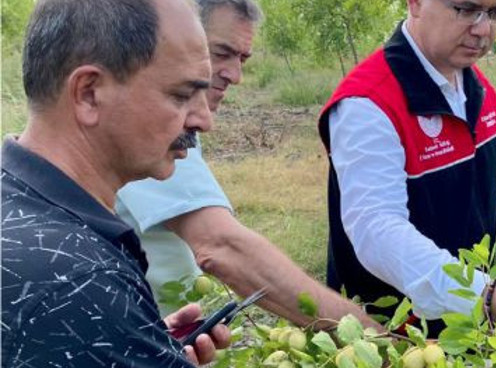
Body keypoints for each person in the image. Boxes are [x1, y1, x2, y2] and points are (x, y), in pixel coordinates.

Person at [1, 0, 436, 368]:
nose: (203, 118)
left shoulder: (23, 206)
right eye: (180, 95)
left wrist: (133, 353)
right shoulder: (76, 275)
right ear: (89, 92)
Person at [318, 0, 496, 337]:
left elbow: (453, 168)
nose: (483, 29)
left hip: (467, 326)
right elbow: (376, 229)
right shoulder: (369, 103)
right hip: (392, 334)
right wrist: (485, 295)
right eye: (466, 9)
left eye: (495, 13)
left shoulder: (476, 88)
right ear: (416, 3)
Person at [115, 0, 379, 330]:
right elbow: (223, 247)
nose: (235, 75)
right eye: (221, 53)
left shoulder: (176, 126)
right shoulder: (149, 127)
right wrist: (373, 340)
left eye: (242, 58)